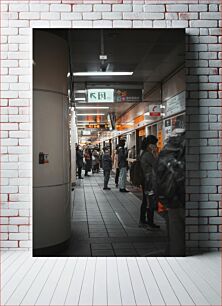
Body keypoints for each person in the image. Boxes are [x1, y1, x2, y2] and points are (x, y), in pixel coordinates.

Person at [156, 129, 185, 256]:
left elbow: (158, 174)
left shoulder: (169, 149)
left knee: (176, 237)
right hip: (181, 200)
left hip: (173, 200)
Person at [140, 135, 160, 229]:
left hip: (146, 180)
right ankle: (150, 222)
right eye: (154, 144)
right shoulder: (148, 155)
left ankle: (143, 220)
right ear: (150, 144)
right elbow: (157, 164)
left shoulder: (143, 153)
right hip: (149, 181)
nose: (155, 146)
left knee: (145, 201)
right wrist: (155, 153)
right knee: (150, 201)